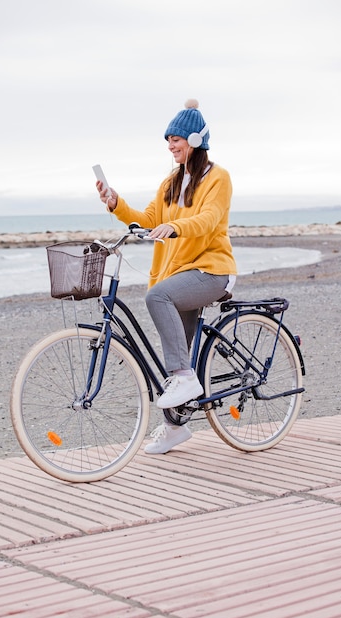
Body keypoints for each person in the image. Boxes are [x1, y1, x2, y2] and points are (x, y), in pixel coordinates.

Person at [96, 99, 237, 454]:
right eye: (168, 141)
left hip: (211, 270)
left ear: (195, 139)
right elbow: (146, 219)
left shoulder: (217, 177)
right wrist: (115, 202)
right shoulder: (170, 183)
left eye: (176, 139)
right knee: (175, 355)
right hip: (179, 275)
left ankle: (188, 380)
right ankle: (174, 428)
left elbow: (208, 219)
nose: (172, 146)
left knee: (157, 298)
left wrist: (174, 226)